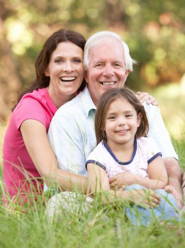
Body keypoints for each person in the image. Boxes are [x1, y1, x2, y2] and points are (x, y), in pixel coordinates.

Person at [48, 31, 183, 208]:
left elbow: (169, 164)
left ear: (126, 72)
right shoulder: (67, 118)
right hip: (100, 200)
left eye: (116, 64)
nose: (108, 72)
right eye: (99, 65)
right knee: (62, 204)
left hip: (154, 195)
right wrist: (127, 196)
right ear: (86, 73)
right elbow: (75, 182)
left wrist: (173, 195)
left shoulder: (146, 109)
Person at [2, 28, 88, 205]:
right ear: (46, 69)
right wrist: (109, 189)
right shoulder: (31, 109)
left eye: (76, 61)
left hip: (70, 198)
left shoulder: (82, 105)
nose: (68, 68)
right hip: (30, 212)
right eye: (59, 61)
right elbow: (51, 174)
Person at [86, 87, 179, 225]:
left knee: (169, 196)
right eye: (112, 117)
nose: (121, 122)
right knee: (133, 191)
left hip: (150, 198)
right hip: (118, 206)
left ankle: (172, 224)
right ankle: (153, 227)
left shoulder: (147, 146)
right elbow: (101, 196)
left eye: (128, 116)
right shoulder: (97, 158)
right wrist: (130, 196)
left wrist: (135, 180)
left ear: (138, 119)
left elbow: (161, 182)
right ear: (102, 124)